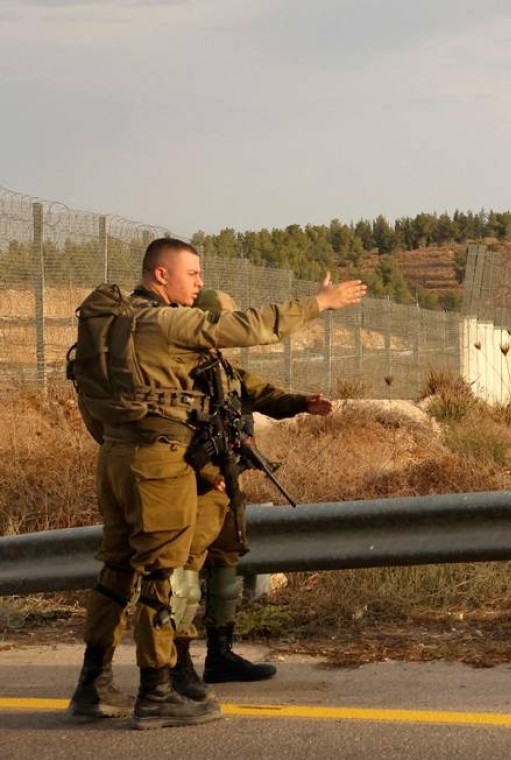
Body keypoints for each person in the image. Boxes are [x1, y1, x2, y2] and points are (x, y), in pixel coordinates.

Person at [68, 238, 365, 729]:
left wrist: (291, 403)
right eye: (194, 273)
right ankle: (157, 692)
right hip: (159, 462)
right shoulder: (163, 322)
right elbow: (246, 327)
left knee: (117, 569)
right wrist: (319, 304)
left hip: (119, 455)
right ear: (161, 275)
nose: (200, 282)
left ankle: (91, 684)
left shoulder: (119, 325)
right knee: (163, 574)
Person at [168, 288, 334, 700]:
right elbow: (170, 433)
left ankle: (220, 655)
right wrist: (208, 473)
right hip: (195, 485)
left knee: (226, 560)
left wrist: (302, 403)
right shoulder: (176, 369)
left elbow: (260, 393)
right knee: (185, 571)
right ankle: (177, 660)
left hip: (228, 479)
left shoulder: (223, 366)